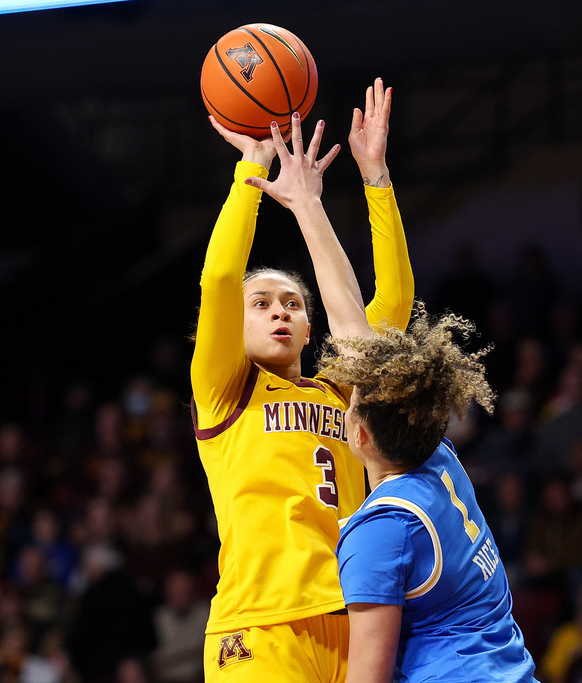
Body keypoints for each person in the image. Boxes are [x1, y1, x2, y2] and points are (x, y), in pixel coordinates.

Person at [190, 77, 413, 682]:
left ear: (311, 329)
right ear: (232, 325)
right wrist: (252, 170)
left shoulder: (338, 390)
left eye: (292, 304)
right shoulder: (223, 389)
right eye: (261, 304)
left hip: (353, 615)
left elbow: (392, 304)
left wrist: (376, 178)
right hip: (259, 625)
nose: (279, 312)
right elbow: (219, 280)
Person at [319, 306, 537, 682]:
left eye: (350, 403)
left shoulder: (381, 530)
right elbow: (354, 337)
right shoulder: (438, 456)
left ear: (360, 436)